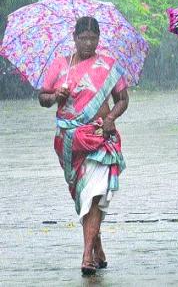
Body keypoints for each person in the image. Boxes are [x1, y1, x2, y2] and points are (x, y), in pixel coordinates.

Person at [38, 16, 129, 275]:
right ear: (75, 38)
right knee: (82, 196)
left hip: (101, 136)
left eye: (93, 38)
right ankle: (96, 243)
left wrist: (111, 118)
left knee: (95, 192)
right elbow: (42, 98)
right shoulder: (60, 65)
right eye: (83, 38)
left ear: (99, 39)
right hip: (69, 141)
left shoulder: (108, 66)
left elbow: (123, 99)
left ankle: (87, 253)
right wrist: (56, 95)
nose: (88, 43)